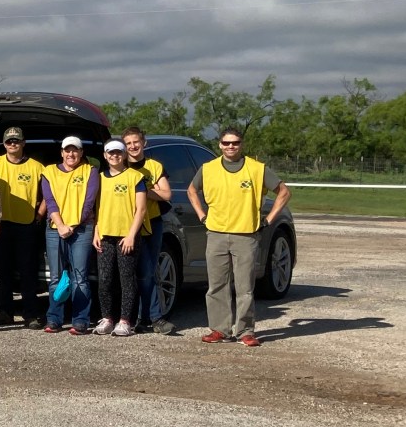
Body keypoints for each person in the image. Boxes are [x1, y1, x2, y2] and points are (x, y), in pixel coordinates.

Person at [188, 127, 291, 347]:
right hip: (216, 233)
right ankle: (220, 329)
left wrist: (268, 220)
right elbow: (191, 190)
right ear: (219, 145)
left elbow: (284, 192)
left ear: (241, 144)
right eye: (226, 143)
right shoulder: (208, 168)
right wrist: (202, 215)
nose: (230, 146)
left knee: (245, 287)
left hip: (246, 235)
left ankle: (245, 331)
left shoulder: (257, 169)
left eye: (235, 143)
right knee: (216, 285)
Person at [41, 137, 99, 336]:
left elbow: (89, 202)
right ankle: (54, 318)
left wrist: (72, 225)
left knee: (80, 277)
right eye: (67, 150)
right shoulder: (49, 172)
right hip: (55, 229)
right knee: (56, 277)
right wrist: (60, 225)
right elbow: (50, 201)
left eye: (75, 150)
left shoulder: (90, 171)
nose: (71, 154)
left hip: (81, 229)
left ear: (81, 153)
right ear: (61, 152)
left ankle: (81, 320)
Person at [0, 126, 47, 327]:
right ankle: (4, 312)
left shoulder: (37, 167)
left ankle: (30, 314)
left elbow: (49, 194)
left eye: (16, 140)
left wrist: (39, 215)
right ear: (4, 144)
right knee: (2, 271)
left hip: (26, 225)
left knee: (28, 271)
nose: (12, 144)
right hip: (0, 224)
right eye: (9, 141)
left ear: (23, 143)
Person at [92, 140, 149, 338]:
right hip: (105, 234)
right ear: (105, 155)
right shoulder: (99, 178)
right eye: (111, 153)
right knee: (105, 279)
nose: (114, 156)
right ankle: (107, 317)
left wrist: (132, 235)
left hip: (127, 235)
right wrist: (96, 232)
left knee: (127, 279)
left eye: (118, 152)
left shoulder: (135, 177)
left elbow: (141, 209)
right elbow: (97, 207)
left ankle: (125, 321)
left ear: (124, 155)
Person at [122, 128, 175, 334]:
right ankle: (138, 317)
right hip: (125, 225)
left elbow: (167, 194)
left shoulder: (154, 166)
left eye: (136, 142)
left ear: (144, 143)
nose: (133, 146)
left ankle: (153, 317)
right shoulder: (120, 165)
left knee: (147, 271)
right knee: (132, 274)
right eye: (128, 143)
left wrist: (142, 190)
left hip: (151, 223)